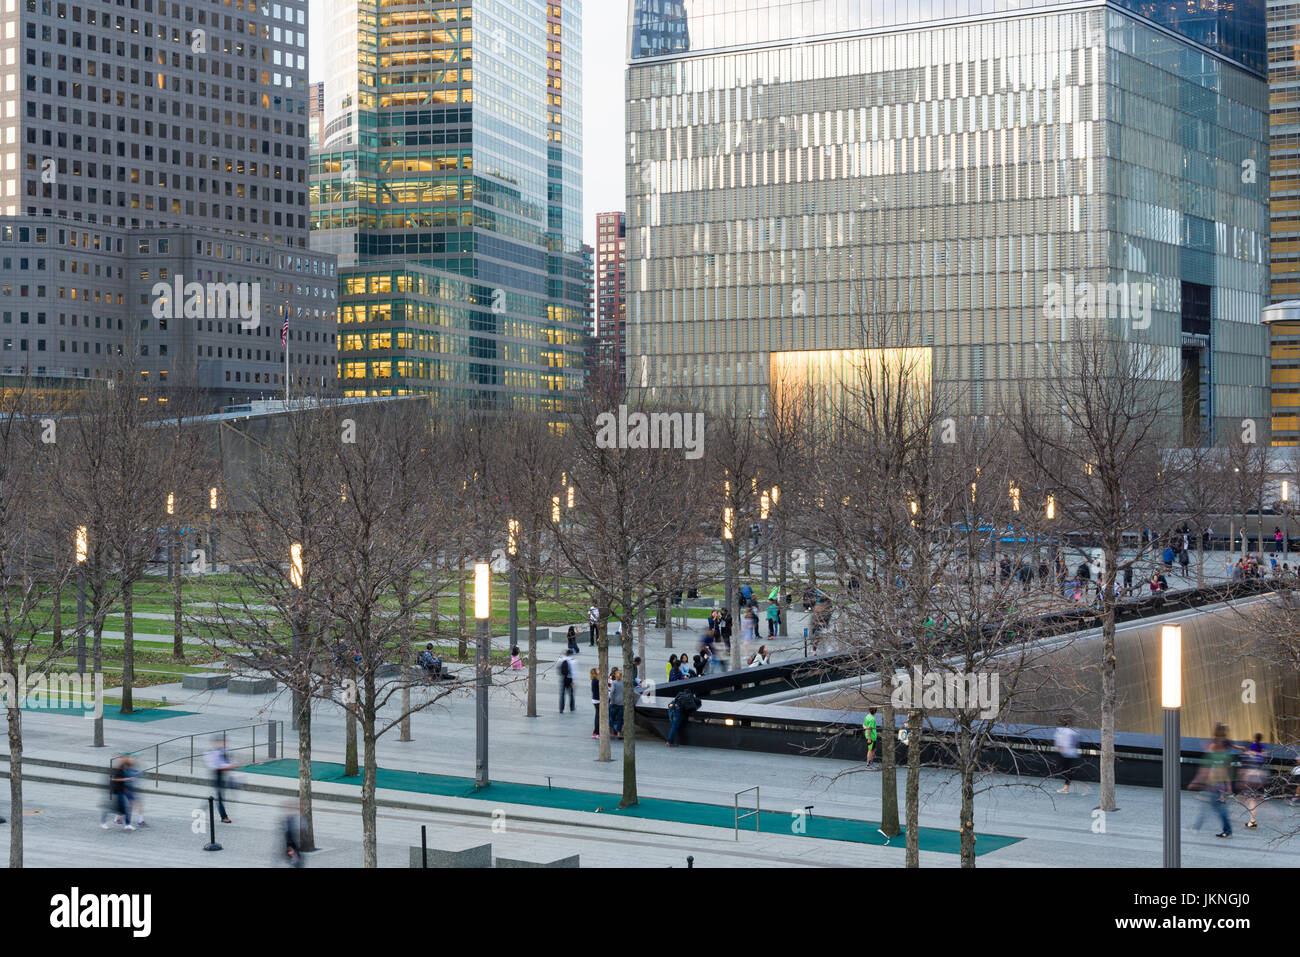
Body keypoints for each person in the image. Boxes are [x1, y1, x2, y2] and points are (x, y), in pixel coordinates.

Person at [1190, 723, 1238, 838]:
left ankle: (1198, 827)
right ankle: (1198, 826)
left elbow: (1206, 769)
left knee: (1215, 807)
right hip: (1221, 784)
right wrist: (1228, 787)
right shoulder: (1227, 753)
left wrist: (1196, 781)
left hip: (1213, 783)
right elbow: (1226, 771)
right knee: (1216, 806)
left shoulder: (1212, 748)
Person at [1239, 733, 1268, 829]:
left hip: (1250, 777)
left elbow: (1245, 766)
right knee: (1252, 800)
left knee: (1250, 801)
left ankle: (1252, 821)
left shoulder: (1250, 753)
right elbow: (1263, 757)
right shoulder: (1262, 752)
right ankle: (1252, 820)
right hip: (1259, 777)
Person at [206, 737, 236, 825]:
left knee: (218, 796)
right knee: (219, 797)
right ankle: (224, 817)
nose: (224, 744)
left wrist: (232, 764)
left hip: (223, 776)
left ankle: (202, 808)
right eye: (221, 742)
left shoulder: (224, 751)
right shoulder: (211, 753)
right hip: (217, 776)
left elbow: (228, 762)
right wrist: (228, 766)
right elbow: (214, 766)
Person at [1054, 717, 1080, 794]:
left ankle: (1066, 787)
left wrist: (1060, 749)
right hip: (1071, 753)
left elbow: (1059, 742)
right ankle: (1066, 786)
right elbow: (1076, 742)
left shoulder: (1061, 730)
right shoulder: (1074, 731)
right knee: (1068, 770)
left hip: (1065, 753)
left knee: (1066, 770)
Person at [282, 801, 306, 867]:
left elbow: (303, 825)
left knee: (294, 852)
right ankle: (295, 861)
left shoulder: (292, 816)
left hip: (290, 836)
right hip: (289, 836)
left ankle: (295, 861)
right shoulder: (290, 817)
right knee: (293, 851)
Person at [608, 668, 625, 739]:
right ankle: (619, 733)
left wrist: (611, 700)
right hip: (621, 703)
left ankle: (611, 732)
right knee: (619, 719)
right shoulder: (624, 683)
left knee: (611, 717)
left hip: (614, 702)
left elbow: (611, 692)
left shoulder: (614, 683)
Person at [590, 667, 601, 738]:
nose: (599, 671)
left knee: (597, 715)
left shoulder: (595, 680)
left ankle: (596, 731)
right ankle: (596, 732)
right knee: (598, 716)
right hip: (597, 700)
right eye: (597, 670)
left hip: (595, 699)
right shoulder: (596, 681)